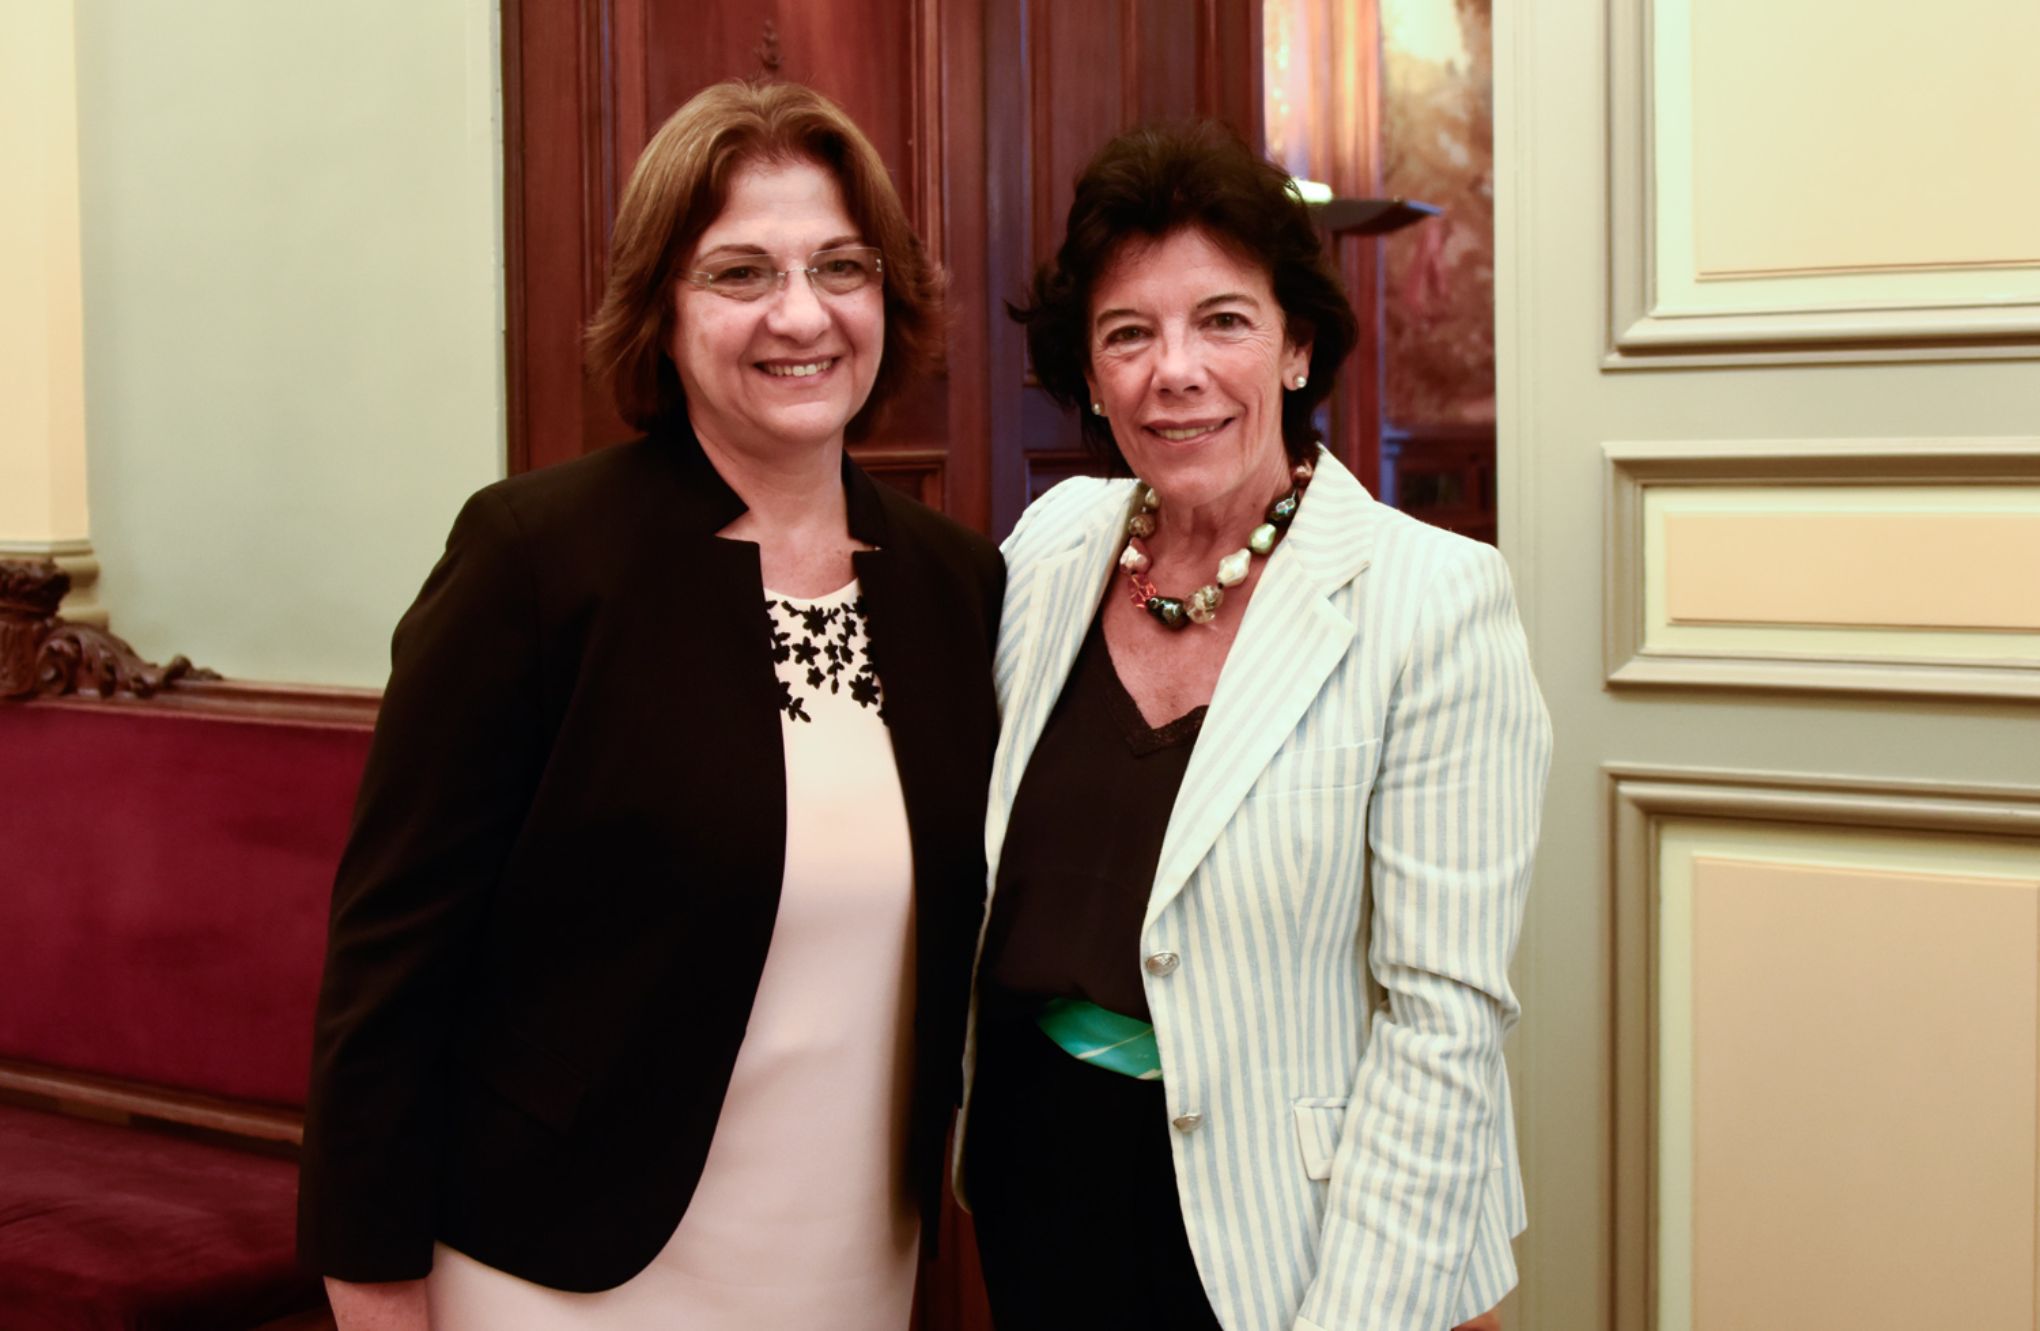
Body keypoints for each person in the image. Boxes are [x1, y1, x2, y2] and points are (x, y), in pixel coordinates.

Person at [298, 80, 1003, 1331]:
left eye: (841, 266)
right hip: (560, 1268)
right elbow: (391, 961)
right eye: (740, 273)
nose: (803, 312)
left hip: (854, 1263)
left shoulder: (958, 587)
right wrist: (370, 1281)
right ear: (661, 312)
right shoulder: (536, 559)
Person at [961, 121, 1550, 1331]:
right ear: (1089, 370)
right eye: (1129, 333)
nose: (1175, 370)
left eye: (1223, 320)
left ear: (1294, 346)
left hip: (1310, 1231)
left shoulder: (1432, 598)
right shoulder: (1050, 547)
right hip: (1040, 1181)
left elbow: (1444, 1024)